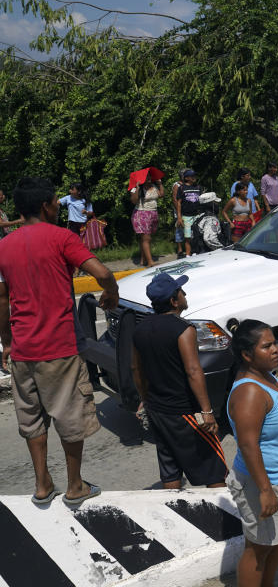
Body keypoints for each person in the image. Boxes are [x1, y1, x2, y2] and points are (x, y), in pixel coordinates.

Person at [0, 177, 118, 507]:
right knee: (69, 417)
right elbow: (102, 271)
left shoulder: (4, 246)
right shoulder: (62, 237)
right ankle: (75, 485)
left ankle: (41, 484)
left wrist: (6, 342)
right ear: (44, 206)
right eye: (55, 202)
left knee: (32, 418)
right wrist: (112, 292)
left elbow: (1, 299)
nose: (57, 206)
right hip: (59, 348)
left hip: (23, 351)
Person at [226, 320, 278, 587]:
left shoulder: (268, 376)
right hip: (265, 481)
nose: (275, 349)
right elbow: (248, 445)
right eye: (267, 346)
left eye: (274, 343)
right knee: (259, 549)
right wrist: (265, 490)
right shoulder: (250, 392)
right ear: (247, 355)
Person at [131, 273, 227, 489]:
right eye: (181, 292)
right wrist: (207, 411)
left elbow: (136, 368)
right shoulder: (184, 329)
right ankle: (224, 520)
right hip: (183, 411)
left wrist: (145, 399)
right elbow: (193, 370)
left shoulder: (140, 329)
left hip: (157, 410)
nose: (185, 294)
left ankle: (176, 515)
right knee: (214, 470)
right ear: (174, 301)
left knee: (170, 467)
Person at [130, 173, 164, 267]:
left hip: (153, 213)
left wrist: (160, 184)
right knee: (146, 238)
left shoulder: (153, 186)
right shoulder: (135, 188)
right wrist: (137, 188)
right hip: (141, 214)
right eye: (146, 176)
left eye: (150, 176)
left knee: (145, 239)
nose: (149, 178)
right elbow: (133, 200)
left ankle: (143, 260)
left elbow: (161, 195)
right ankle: (150, 262)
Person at [175, 169, 203, 257]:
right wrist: (179, 217)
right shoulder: (182, 188)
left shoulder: (198, 187)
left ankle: (195, 252)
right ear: (186, 178)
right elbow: (178, 203)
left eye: (194, 176)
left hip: (197, 215)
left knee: (197, 235)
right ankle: (188, 254)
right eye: (192, 176)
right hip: (186, 216)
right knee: (188, 237)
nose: (194, 178)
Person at [171, 169, 188, 258]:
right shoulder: (177, 185)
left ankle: (188, 248)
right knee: (179, 230)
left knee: (188, 230)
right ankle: (180, 250)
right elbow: (174, 199)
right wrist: (179, 213)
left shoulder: (187, 185)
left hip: (188, 211)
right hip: (180, 211)